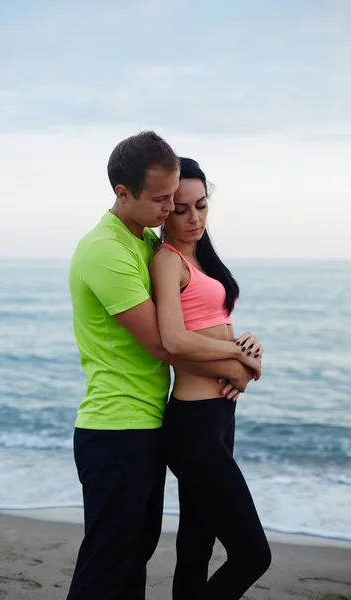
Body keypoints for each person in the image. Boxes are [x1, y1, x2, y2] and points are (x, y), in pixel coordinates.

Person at [67, 132, 260, 600]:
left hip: (148, 421)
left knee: (135, 559)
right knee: (108, 565)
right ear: (122, 192)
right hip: (117, 426)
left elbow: (196, 319)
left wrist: (239, 353)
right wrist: (238, 361)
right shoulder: (108, 251)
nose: (170, 210)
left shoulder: (140, 243)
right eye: (163, 201)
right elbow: (163, 344)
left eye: (179, 199)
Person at [149, 157, 272, 600]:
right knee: (253, 555)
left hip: (220, 419)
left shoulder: (203, 258)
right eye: (180, 209)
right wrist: (238, 360)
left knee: (196, 545)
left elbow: (211, 323)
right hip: (193, 425)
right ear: (165, 210)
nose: (194, 217)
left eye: (201, 205)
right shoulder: (167, 259)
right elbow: (175, 340)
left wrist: (246, 344)